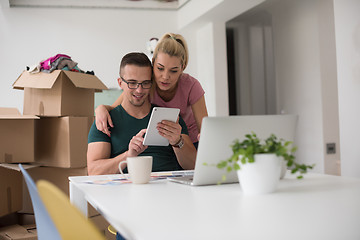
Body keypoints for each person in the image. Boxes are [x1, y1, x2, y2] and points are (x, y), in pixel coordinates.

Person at [87, 52, 196, 176]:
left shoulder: (169, 118)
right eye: (132, 83)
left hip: (169, 188)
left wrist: (177, 141)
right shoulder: (106, 121)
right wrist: (129, 155)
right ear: (120, 82)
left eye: (145, 83)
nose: (139, 90)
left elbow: (193, 166)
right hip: (125, 191)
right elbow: (94, 171)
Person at [95, 33, 208, 148]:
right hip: (161, 140)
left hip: (189, 141)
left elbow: (205, 128)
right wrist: (100, 108)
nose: (165, 76)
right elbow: (116, 108)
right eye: (160, 68)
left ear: (182, 68)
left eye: (173, 71)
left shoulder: (191, 86)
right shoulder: (146, 83)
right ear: (153, 62)